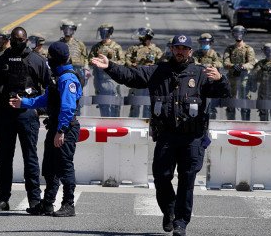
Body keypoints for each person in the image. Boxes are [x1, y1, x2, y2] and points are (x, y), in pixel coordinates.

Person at [91, 35, 230, 236]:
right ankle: (170, 210)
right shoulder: (158, 71)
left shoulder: (200, 73)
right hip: (167, 136)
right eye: (177, 48)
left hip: (192, 138)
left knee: (187, 179)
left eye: (184, 48)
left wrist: (221, 79)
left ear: (190, 51)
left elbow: (221, 93)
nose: (180, 51)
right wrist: (110, 66)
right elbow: (130, 76)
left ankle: (181, 222)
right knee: (161, 177)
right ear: (171, 49)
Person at [9, 41, 82, 217]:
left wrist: (61, 131)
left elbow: (68, 108)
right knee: (49, 167)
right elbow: (44, 100)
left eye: (50, 58)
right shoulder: (57, 79)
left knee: (65, 166)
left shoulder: (68, 79)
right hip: (56, 126)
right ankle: (47, 204)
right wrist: (24, 103)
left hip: (65, 128)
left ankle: (68, 204)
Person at [0, 26, 50, 212]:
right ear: (10, 40)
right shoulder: (1, 60)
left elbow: (49, 88)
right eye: (14, 40)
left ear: (26, 41)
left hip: (27, 115)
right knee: (4, 158)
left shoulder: (36, 60)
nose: (17, 44)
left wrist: (39, 110)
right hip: (5, 116)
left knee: (30, 157)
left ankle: (34, 199)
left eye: (20, 41)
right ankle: (3, 199)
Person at [88, 24, 124, 117]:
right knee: (103, 104)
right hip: (100, 80)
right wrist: (95, 61)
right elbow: (90, 59)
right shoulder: (97, 47)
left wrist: (110, 64)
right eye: (101, 32)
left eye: (105, 32)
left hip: (112, 79)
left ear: (109, 33)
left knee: (114, 103)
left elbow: (122, 61)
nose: (103, 34)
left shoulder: (116, 47)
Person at [125, 28, 163, 118]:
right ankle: (133, 121)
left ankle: (147, 121)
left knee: (148, 103)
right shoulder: (135, 48)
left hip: (151, 80)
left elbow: (161, 62)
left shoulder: (156, 50)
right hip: (138, 78)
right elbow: (126, 59)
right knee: (135, 102)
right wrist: (132, 64)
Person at [222, 26, 255, 121]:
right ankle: (230, 123)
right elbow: (225, 62)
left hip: (244, 78)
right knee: (231, 103)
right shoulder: (230, 49)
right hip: (232, 78)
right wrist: (232, 66)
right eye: (236, 33)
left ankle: (245, 124)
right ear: (233, 34)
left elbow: (251, 63)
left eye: (240, 33)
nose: (238, 35)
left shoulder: (248, 49)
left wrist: (242, 66)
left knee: (244, 103)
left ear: (244, 34)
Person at [192, 33, 223, 119]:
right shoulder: (196, 53)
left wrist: (210, 65)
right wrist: (202, 65)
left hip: (211, 81)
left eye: (207, 43)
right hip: (199, 81)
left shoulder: (214, 54)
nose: (205, 45)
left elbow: (219, 63)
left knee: (211, 104)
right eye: (203, 43)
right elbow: (193, 63)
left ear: (211, 43)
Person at [58, 20, 90, 88]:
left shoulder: (79, 44)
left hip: (78, 70)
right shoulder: (59, 44)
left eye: (70, 29)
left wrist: (86, 68)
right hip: (64, 70)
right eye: (66, 29)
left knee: (79, 88)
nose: (67, 31)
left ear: (73, 30)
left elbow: (86, 57)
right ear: (63, 29)